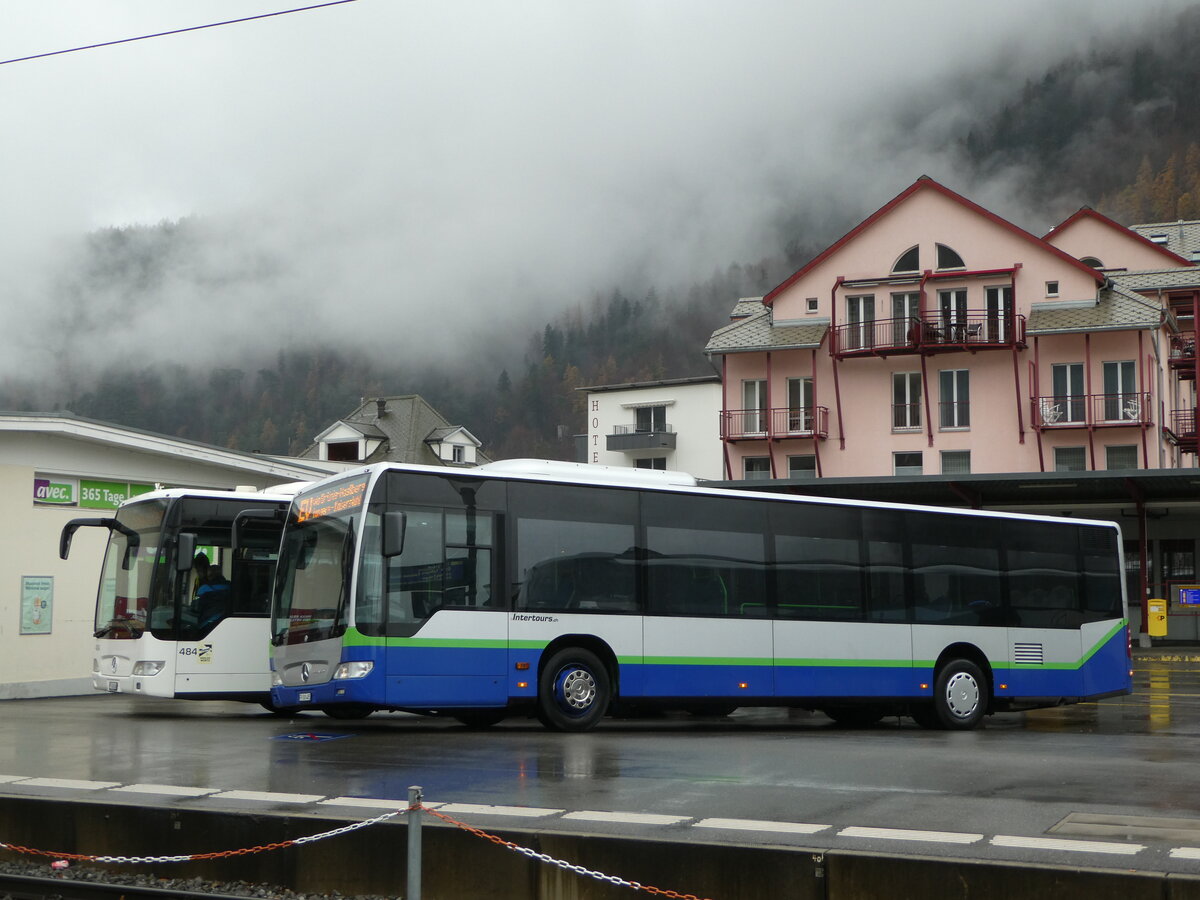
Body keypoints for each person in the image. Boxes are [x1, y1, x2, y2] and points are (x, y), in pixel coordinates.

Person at [193, 552, 232, 627]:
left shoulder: (204, 589)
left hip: (206, 624)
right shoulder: (229, 586)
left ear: (209, 576)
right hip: (225, 622)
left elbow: (196, 609)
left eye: (198, 571)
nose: (198, 573)